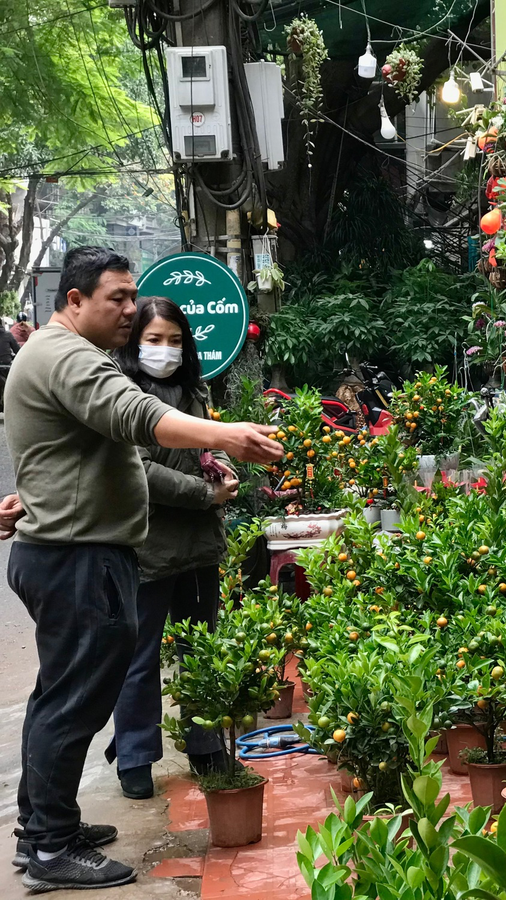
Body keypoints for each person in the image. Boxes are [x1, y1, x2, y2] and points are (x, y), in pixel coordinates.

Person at [4, 246, 281, 894]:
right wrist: (225, 435)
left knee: (61, 700)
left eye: (133, 297)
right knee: (71, 706)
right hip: (77, 557)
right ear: (74, 301)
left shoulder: (68, 353)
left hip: (77, 551)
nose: (130, 309)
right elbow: (135, 417)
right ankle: (48, 846)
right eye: (117, 298)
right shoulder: (65, 356)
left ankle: (48, 825)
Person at [104, 297, 237, 800]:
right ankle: (135, 757)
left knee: (198, 651)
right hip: (148, 545)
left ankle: (205, 746)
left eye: (175, 340)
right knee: (139, 657)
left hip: (199, 545)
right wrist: (204, 493)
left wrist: (221, 466)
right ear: (136, 342)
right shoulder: (123, 393)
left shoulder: (193, 390)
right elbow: (137, 469)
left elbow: (209, 444)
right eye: (155, 340)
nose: (166, 350)